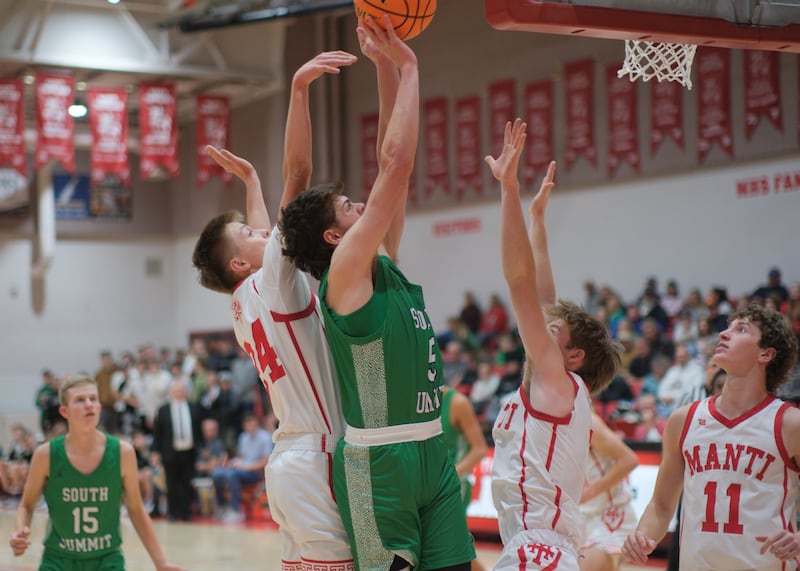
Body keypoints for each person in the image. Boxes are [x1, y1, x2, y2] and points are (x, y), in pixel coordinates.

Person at [280, 17, 475, 571]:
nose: (361, 204)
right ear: (334, 238)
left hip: (432, 450)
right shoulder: (344, 277)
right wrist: (411, 68)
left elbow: (394, 165)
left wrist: (384, 66)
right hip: (379, 464)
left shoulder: (376, 261)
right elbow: (396, 164)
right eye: (348, 207)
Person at [191, 49, 357, 567]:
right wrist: (300, 89)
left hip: (289, 460)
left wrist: (252, 185)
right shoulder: (271, 283)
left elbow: (264, 246)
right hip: (318, 455)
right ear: (241, 264)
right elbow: (301, 172)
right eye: (247, 233)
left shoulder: (243, 308)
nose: (260, 230)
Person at [484, 121, 620, 570]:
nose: (542, 328)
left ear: (573, 356)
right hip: (544, 547)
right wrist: (538, 221)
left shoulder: (556, 382)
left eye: (553, 330)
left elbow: (520, 281)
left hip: (536, 548)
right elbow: (544, 299)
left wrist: (508, 190)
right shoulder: (562, 388)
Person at [622, 304, 800, 570]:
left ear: (766, 353)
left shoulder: (789, 423)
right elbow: (660, 505)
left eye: (741, 329)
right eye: (727, 327)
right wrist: (643, 536)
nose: (724, 334)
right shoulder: (684, 419)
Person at [8, 375, 184, 571]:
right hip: (58, 561)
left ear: (100, 407)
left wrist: (161, 562)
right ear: (64, 411)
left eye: (93, 399)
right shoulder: (46, 455)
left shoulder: (122, 452)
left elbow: (136, 509)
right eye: (80, 400)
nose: (89, 404)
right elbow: (26, 505)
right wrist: (20, 530)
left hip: (107, 560)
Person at [579, 412, 639, 571]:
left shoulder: (587, 421)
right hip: (582, 516)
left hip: (608, 514)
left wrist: (590, 492)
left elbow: (629, 460)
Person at [441, 386, 489, 571]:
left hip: (454, 487)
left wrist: (452, 474)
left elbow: (480, 449)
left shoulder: (457, 402)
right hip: (429, 486)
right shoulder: (415, 401)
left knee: (453, 549)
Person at [152, 381, 203, 522]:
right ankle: (173, 512)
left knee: (187, 481)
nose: (179, 393)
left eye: (182, 390)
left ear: (186, 392)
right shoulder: (163, 410)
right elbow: (157, 433)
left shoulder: (194, 408)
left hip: (189, 451)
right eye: (177, 390)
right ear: (172, 392)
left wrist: (201, 447)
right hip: (170, 451)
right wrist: (156, 451)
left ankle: (186, 511)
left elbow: (199, 431)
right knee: (172, 482)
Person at [211, 413, 272, 523]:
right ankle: (222, 506)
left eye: (253, 424)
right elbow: (242, 456)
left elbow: (265, 461)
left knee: (232, 475)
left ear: (258, 424)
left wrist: (246, 467)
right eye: (248, 425)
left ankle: (236, 511)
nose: (251, 427)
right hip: (241, 469)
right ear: (244, 426)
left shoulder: (265, 437)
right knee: (217, 473)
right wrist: (234, 462)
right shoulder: (243, 437)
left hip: (255, 471)